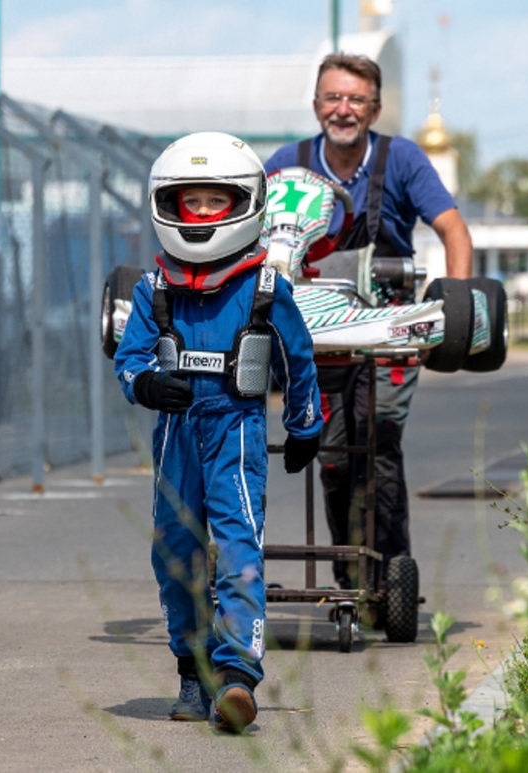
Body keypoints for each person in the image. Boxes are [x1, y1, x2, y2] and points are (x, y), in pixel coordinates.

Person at [114, 132, 322, 733]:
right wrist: (148, 385)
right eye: (191, 204)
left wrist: (305, 425)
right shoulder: (152, 290)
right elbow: (129, 361)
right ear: (169, 207)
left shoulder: (263, 288)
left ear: (243, 205)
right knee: (174, 553)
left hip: (235, 430)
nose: (202, 215)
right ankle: (192, 669)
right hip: (177, 434)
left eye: (215, 203)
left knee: (237, 552)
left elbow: (299, 361)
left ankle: (236, 678)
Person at [264, 52, 473, 588]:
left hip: (388, 331)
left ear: (375, 109)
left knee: (378, 445)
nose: (344, 109)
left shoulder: (401, 160)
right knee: (333, 455)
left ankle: (388, 577)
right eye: (333, 97)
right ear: (316, 106)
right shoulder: (287, 165)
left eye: (356, 99)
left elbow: (453, 230)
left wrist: (457, 307)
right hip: (319, 336)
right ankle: (352, 572)